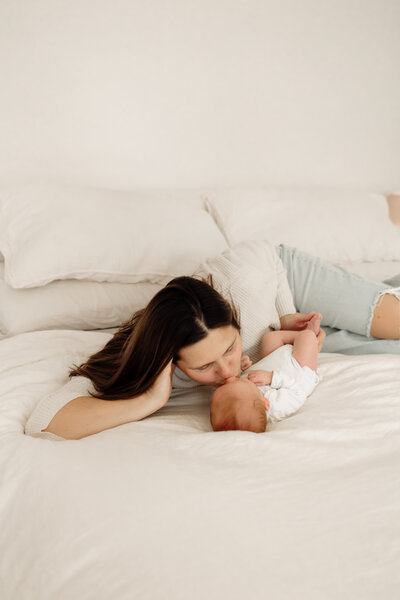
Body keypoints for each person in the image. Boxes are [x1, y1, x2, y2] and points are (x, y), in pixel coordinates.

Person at [24, 240, 400, 440]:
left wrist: (281, 313)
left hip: (282, 281)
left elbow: (265, 267)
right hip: (288, 341)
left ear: (236, 326)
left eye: (231, 349)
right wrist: (150, 400)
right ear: (172, 361)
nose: (228, 370)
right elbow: (44, 423)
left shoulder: (239, 289)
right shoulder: (144, 364)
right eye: (204, 366)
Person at [210, 314, 322, 433]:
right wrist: (272, 378)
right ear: (266, 403)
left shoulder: (243, 394)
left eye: (225, 385)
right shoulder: (277, 407)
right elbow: (298, 393)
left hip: (273, 361)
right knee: (307, 337)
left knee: (269, 338)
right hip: (297, 370)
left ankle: (299, 339)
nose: (229, 379)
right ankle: (309, 334)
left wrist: (244, 368)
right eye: (237, 380)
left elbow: (244, 378)